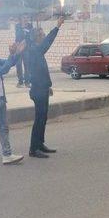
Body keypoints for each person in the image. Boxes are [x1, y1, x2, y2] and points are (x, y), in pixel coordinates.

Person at [27, 18, 64, 158]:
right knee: (39, 119)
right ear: (37, 38)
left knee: (43, 118)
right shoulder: (35, 50)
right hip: (37, 90)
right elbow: (48, 41)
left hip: (42, 88)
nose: (44, 38)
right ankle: (33, 149)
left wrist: (48, 86)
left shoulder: (37, 51)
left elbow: (41, 72)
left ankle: (40, 144)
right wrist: (57, 27)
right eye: (42, 35)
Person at [14, 17, 33, 88]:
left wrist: (26, 35)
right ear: (21, 19)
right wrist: (22, 28)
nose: (25, 19)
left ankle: (27, 82)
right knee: (18, 65)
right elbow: (17, 36)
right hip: (19, 47)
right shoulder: (17, 26)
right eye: (24, 18)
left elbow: (30, 36)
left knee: (27, 66)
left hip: (26, 48)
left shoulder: (30, 26)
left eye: (26, 18)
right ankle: (20, 82)